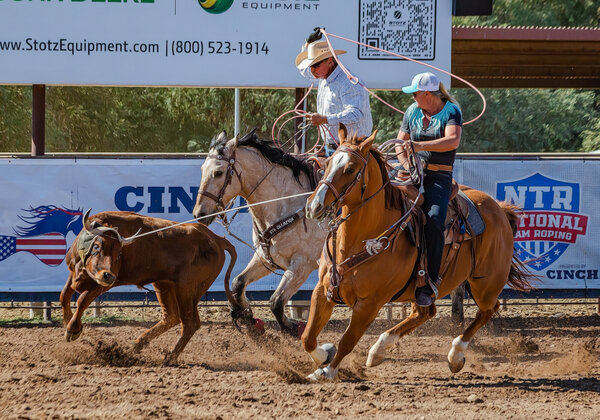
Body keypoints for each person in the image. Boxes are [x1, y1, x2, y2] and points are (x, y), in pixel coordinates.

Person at [395, 72, 463, 307]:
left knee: (434, 221)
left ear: (427, 94)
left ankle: (431, 282)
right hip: (413, 172)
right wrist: (408, 165)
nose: (413, 97)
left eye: (415, 93)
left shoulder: (451, 112)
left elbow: (452, 141)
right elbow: (399, 144)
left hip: (439, 175)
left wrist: (419, 145)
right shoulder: (412, 111)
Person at [295, 28, 373, 156]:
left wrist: (325, 119)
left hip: (354, 149)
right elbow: (304, 70)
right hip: (334, 147)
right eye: (311, 66)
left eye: (316, 65)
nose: (312, 70)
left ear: (330, 61)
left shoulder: (349, 82)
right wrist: (307, 45)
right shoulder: (323, 75)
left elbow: (355, 114)